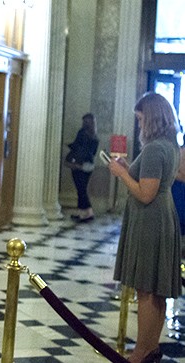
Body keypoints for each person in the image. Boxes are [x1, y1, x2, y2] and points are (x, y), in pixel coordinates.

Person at [107, 92, 181, 363]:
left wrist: (122, 173)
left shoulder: (153, 149)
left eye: (140, 119)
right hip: (162, 216)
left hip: (150, 220)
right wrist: (130, 168)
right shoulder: (169, 144)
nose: (139, 125)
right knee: (156, 289)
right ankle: (150, 347)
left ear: (150, 118)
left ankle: (142, 350)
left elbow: (145, 193)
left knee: (146, 289)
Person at [65, 113, 99, 222]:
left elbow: (77, 147)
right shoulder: (95, 136)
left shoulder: (82, 133)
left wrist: (69, 146)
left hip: (78, 164)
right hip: (89, 165)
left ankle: (88, 212)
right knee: (82, 189)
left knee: (81, 190)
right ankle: (82, 213)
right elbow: (92, 152)